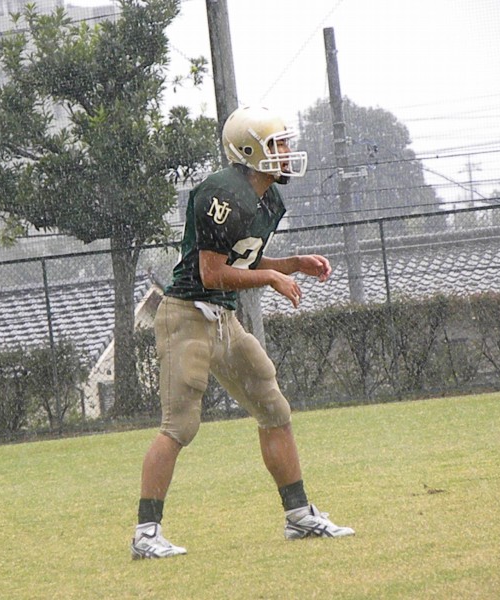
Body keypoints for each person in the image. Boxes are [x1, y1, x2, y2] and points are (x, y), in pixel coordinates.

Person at [131, 106, 354, 560]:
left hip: (224, 319)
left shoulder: (269, 200)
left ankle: (299, 515)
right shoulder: (222, 193)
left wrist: (292, 264)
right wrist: (272, 278)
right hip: (186, 315)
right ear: (251, 151)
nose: (287, 152)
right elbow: (212, 273)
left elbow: (244, 260)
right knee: (179, 426)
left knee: (274, 408)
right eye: (278, 144)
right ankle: (146, 533)